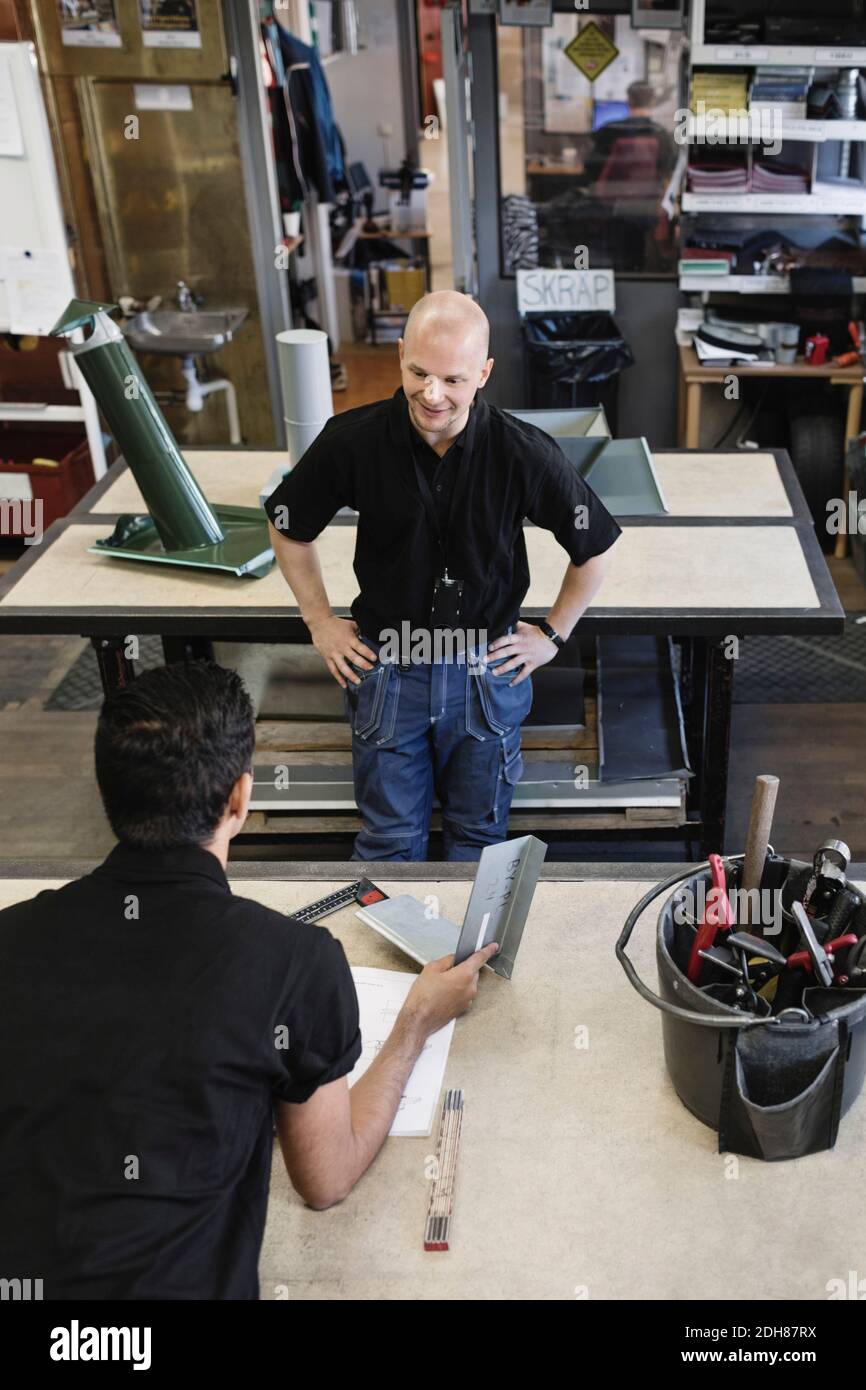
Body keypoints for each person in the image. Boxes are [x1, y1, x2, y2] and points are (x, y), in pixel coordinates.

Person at [0, 662, 495, 1300]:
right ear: (239, 798)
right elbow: (325, 1179)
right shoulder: (294, 961)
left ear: (106, 792)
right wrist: (416, 1024)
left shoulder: (11, 938)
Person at [266, 290, 621, 861]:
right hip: (388, 671)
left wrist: (552, 635)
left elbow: (595, 547)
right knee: (388, 845)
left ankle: (468, 955)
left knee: (479, 847)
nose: (432, 395)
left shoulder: (523, 453)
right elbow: (287, 525)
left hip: (485, 673)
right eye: (418, 373)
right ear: (401, 354)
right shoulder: (351, 441)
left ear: (484, 373)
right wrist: (318, 621)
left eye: (453, 380)